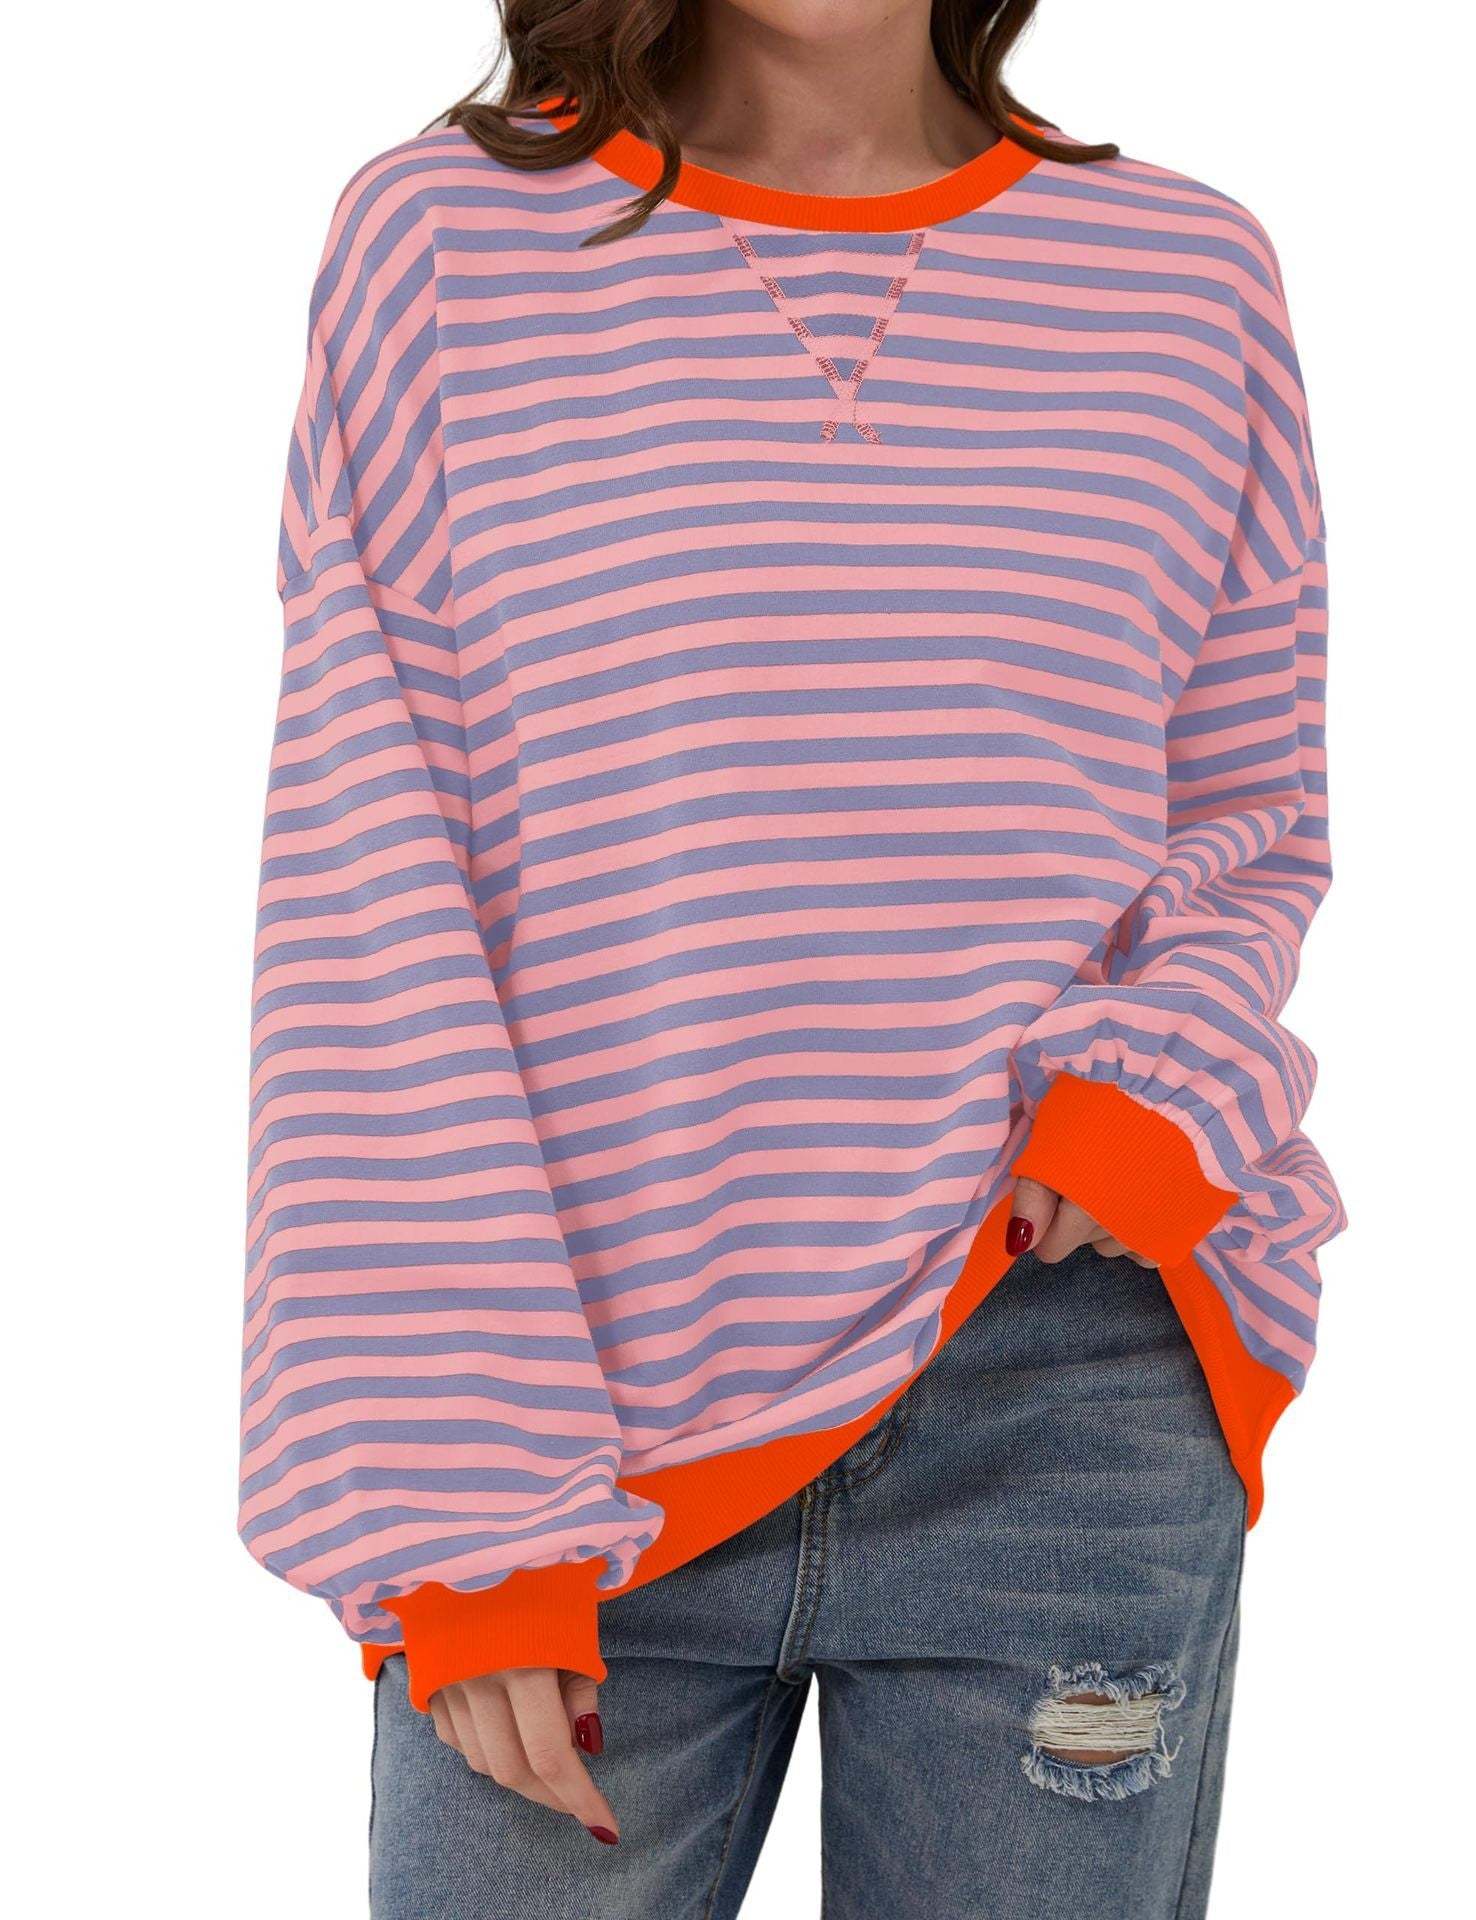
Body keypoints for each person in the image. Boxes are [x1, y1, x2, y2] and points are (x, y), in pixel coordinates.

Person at [241, 2, 1343, 1912]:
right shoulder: (446, 244)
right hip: (574, 1427)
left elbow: (1247, 814)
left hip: (1056, 1374)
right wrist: (464, 1511)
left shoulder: (1187, 278)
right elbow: (368, 876)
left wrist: (1147, 1097)